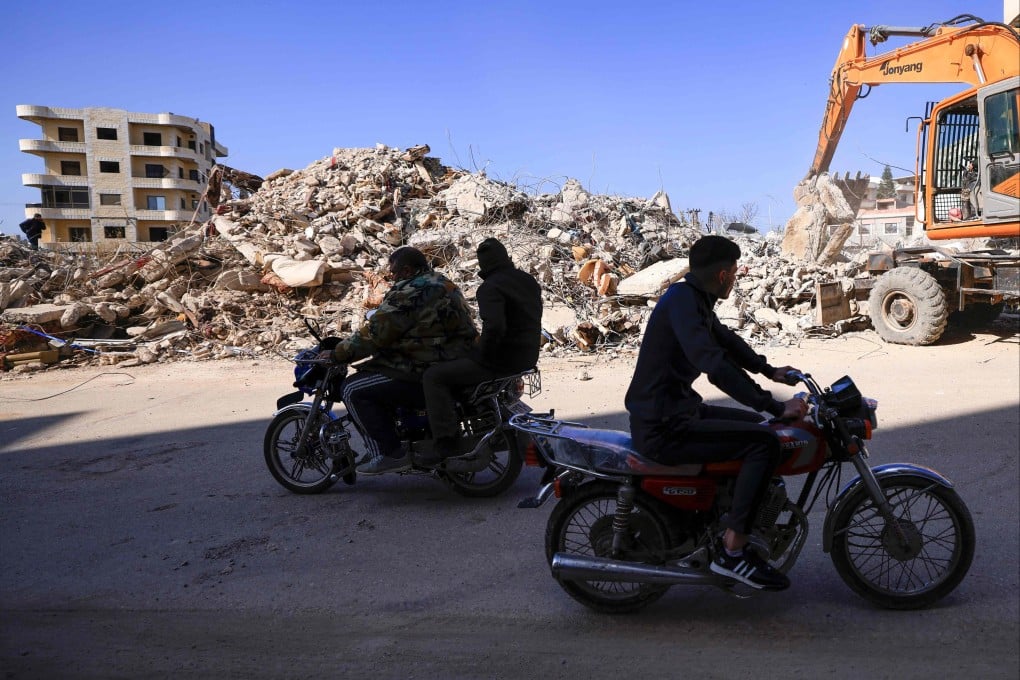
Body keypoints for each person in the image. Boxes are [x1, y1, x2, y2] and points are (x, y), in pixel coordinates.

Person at [624, 235, 806, 591]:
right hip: (663, 427)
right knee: (764, 442)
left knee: (756, 426)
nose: (736, 278)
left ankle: (721, 519)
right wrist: (773, 403)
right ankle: (733, 551)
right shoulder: (682, 302)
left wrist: (769, 371)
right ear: (723, 275)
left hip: (678, 412)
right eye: (735, 272)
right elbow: (714, 364)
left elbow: (726, 341)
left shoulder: (693, 299)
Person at [325, 246, 478, 475]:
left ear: (406, 270)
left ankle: (388, 453)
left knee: (352, 388)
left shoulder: (410, 291)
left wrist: (337, 353)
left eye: (393, 273)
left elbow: (375, 334)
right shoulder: (443, 282)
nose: (392, 278)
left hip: (421, 367)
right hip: (454, 361)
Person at [421, 237, 543, 464]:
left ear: (483, 265)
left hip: (500, 360)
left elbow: (495, 327)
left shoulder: (490, 287)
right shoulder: (527, 280)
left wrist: (480, 354)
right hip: (526, 356)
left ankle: (446, 441)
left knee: (433, 377)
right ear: (506, 257)